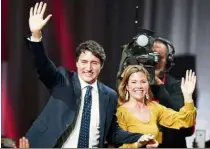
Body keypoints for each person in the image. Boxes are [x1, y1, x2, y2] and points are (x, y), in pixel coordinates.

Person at [24, 2, 158, 148]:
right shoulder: (63, 80)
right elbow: (42, 65)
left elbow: (112, 133)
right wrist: (36, 36)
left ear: (101, 66)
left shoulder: (109, 95)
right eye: (84, 62)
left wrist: (141, 137)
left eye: (94, 63)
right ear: (76, 63)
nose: (88, 68)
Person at [116, 65, 196, 148]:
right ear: (127, 86)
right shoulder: (120, 113)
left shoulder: (155, 107)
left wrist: (188, 97)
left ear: (148, 85)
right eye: (134, 82)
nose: (139, 86)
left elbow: (185, 121)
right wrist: (138, 145)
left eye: (143, 82)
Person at [151, 37, 195, 147]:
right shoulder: (134, 86)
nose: (154, 61)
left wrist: (159, 86)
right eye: (151, 56)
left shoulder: (178, 86)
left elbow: (185, 127)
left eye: (159, 57)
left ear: (168, 61)